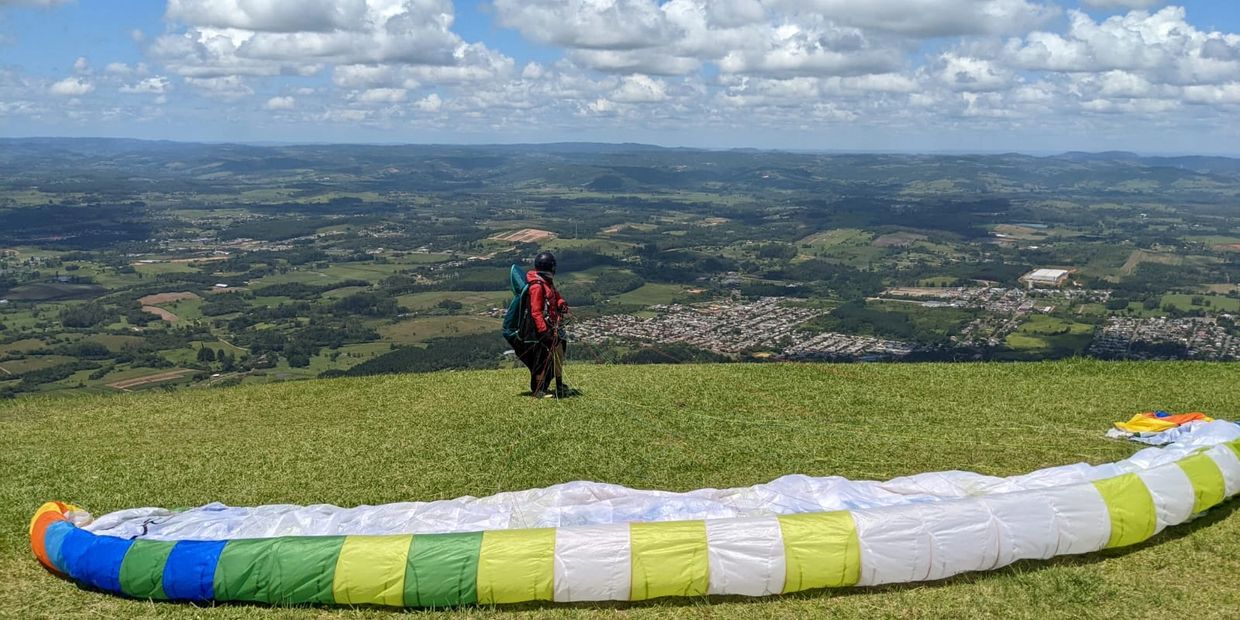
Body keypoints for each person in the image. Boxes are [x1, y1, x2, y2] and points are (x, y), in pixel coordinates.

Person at [513, 251, 577, 398]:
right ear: (550, 267)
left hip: (553, 326)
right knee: (542, 359)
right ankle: (538, 389)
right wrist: (544, 332)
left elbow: (556, 297)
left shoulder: (547, 282)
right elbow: (536, 312)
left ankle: (559, 385)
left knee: (559, 353)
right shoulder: (537, 286)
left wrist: (561, 304)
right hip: (541, 331)